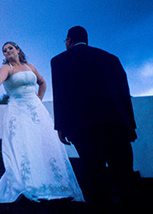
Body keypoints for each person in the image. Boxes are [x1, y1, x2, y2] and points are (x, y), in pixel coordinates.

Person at [0, 42, 84, 203]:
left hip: (36, 109)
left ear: (18, 50)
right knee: (25, 145)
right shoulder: (7, 68)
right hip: (18, 110)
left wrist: (38, 99)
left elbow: (42, 82)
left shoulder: (30, 66)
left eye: (10, 48)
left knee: (45, 144)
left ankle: (56, 185)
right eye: (4, 51)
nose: (7, 52)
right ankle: (31, 184)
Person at [51, 26, 137, 204]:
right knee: (123, 174)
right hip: (116, 125)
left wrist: (60, 126)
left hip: (83, 128)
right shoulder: (111, 58)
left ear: (69, 40)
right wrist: (130, 125)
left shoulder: (59, 61)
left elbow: (60, 95)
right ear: (86, 39)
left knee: (94, 174)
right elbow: (123, 93)